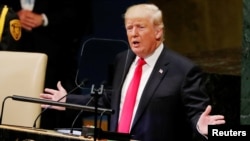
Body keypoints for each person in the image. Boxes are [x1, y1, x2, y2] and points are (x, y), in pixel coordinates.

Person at [40, 3, 225, 141]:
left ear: (158, 32)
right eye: (129, 28)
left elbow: (195, 115)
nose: (133, 34)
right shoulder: (123, 59)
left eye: (140, 27)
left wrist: (201, 127)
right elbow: (108, 99)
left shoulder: (183, 70)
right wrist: (67, 100)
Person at [1, 0, 93, 129]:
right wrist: (11, 17)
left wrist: (45, 19)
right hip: (13, 59)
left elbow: (81, 14)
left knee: (52, 115)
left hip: (57, 61)